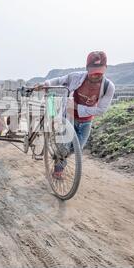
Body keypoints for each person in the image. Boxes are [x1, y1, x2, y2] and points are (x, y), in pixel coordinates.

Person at [36, 51, 115, 179]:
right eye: (93, 71)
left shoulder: (108, 87)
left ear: (105, 68)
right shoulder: (76, 77)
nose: (96, 75)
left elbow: (101, 110)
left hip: (86, 121)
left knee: (76, 149)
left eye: (100, 71)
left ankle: (59, 159)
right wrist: (45, 84)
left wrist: (79, 107)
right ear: (87, 68)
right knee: (64, 147)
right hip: (69, 116)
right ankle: (58, 169)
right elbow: (60, 80)